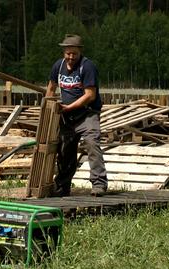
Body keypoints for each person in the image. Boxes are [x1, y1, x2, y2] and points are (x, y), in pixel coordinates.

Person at [46, 34, 108, 197]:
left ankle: (99, 184)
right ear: (63, 52)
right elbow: (51, 88)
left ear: (80, 52)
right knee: (65, 150)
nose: (71, 57)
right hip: (67, 117)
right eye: (68, 53)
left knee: (92, 144)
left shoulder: (87, 67)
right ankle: (62, 186)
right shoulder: (58, 66)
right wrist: (49, 105)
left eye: (74, 54)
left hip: (87, 114)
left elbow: (90, 95)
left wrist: (68, 107)